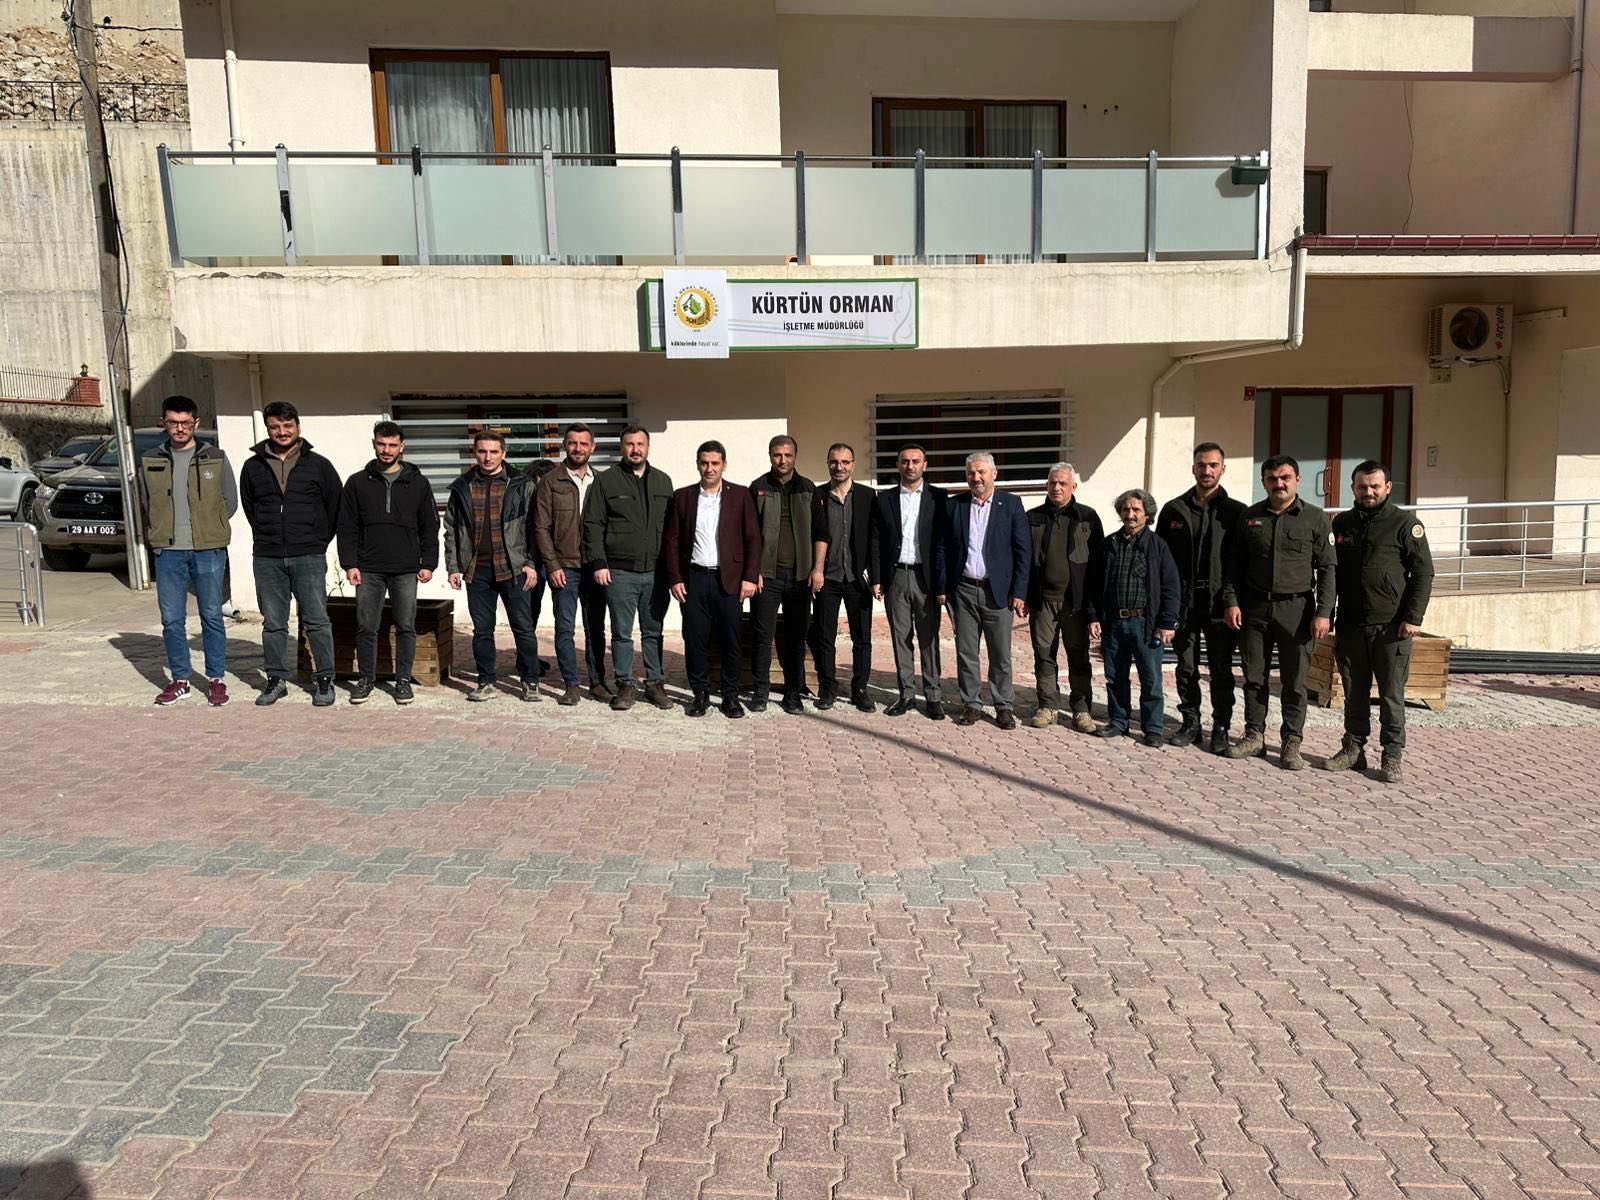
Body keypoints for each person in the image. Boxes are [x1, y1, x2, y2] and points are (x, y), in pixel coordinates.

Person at [1220, 454, 1335, 769]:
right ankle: (1254, 735)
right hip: (1254, 608)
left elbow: (1327, 569)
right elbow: (1233, 566)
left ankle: (1291, 742)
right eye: (1272, 479)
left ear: (1297, 479)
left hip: (1297, 610)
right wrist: (1231, 601)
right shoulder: (1250, 517)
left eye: (1285, 477)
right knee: (1254, 677)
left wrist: (1324, 612)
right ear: (1264, 482)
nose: (1279, 484)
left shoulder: (1315, 518)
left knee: (1294, 682)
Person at [1323, 460, 1434, 784]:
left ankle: (1392, 756)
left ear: (1387, 487)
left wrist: (1413, 617)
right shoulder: (1342, 524)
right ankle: (1353, 749)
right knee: (1354, 691)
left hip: (1391, 627)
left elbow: (1423, 573)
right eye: (1362, 486)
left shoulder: (1405, 524)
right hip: (1351, 624)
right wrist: (1327, 613)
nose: (1368, 492)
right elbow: (1330, 573)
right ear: (1353, 488)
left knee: (1391, 694)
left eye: (1374, 486)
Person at [239, 400, 343, 707]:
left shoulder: (319, 465)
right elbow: (250, 507)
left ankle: (324, 680)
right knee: (273, 623)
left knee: (317, 621)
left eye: (287, 426)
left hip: (308, 555)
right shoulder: (253, 467)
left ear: (298, 426)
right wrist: (268, 536)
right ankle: (276, 679)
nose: (282, 432)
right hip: (268, 557)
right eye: (275, 427)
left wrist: (317, 541)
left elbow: (334, 506)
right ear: (268, 429)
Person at [140, 395, 238, 707]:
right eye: (173, 423)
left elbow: (230, 501)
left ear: (195, 423)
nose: (179, 428)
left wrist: (211, 526)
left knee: (211, 615)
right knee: (171, 619)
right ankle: (180, 680)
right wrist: (159, 532)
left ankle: (216, 679)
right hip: (168, 551)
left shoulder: (216, 457)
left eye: (185, 423)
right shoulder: (150, 459)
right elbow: (145, 503)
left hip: (208, 549)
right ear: (164, 423)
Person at [335, 420, 439, 705]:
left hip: (406, 568)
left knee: (406, 626)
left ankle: (402, 681)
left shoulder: (418, 483)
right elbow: (347, 526)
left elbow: (429, 525)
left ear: (402, 447)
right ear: (374, 444)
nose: (386, 450)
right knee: (366, 626)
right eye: (381, 444)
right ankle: (366, 679)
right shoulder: (357, 483)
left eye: (392, 445)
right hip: (368, 567)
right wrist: (350, 564)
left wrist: (428, 562)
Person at [1156, 442, 1246, 753]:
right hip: (1184, 602)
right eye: (1201, 465)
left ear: (1223, 469)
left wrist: (1234, 600)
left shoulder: (1236, 512)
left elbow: (1241, 562)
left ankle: (1220, 726)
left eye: (1213, 465)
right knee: (1186, 667)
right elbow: (1162, 561)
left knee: (1220, 669)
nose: (1206, 470)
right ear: (1193, 468)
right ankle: (1191, 723)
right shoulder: (1173, 510)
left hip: (1220, 602)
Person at [662, 441, 760, 718]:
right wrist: (674, 578)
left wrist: (750, 577)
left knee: (731, 640)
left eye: (715, 463)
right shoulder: (683, 497)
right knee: (695, 640)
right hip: (694, 579)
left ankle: (730, 696)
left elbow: (753, 539)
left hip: (729, 580)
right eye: (704, 463)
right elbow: (672, 541)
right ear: (698, 464)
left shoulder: (740, 495)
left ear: (723, 465)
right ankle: (700, 694)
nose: (709, 468)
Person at [443, 430, 541, 702]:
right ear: (474, 453)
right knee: (482, 630)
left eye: (494, 452)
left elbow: (535, 527)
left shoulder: (521, 484)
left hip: (514, 568)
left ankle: (530, 680)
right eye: (482, 451)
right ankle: (486, 681)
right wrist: (453, 566)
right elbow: (451, 529)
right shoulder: (462, 486)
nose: (488, 457)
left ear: (503, 453)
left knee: (523, 627)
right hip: (477, 570)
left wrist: (531, 563)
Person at [584, 424, 675, 711]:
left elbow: (672, 529)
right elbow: (593, 523)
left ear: (648, 447)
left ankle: (655, 683)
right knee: (622, 633)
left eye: (640, 444)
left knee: (653, 631)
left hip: (656, 573)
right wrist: (599, 563)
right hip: (619, 572)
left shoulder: (663, 481)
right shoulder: (606, 481)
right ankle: (625, 683)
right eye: (630, 444)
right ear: (621, 447)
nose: (635, 449)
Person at [939, 452, 1030, 730]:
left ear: (994, 474)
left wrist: (1019, 592)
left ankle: (1003, 705)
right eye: (971, 473)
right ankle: (972, 704)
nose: (976, 477)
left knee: (1000, 653)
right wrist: (942, 587)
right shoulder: (955, 505)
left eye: (981, 472)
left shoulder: (1011, 504)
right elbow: (942, 548)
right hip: (963, 590)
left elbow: (1023, 551)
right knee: (966, 651)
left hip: (997, 592)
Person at [1090, 488, 1180, 747]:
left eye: (1136, 510)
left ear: (1147, 514)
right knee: (1115, 676)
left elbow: (1171, 587)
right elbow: (1094, 585)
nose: (1130, 514)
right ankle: (1119, 721)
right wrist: (1093, 617)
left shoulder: (1158, 546)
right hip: (1114, 623)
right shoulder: (1108, 545)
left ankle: (1152, 728)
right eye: (1126, 509)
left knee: (1151, 679)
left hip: (1145, 625)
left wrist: (1167, 622)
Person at [869, 443, 947, 719]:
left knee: (928, 638)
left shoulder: (939, 497)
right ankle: (906, 695)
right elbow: (876, 541)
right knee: (901, 637)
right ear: (898, 465)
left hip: (926, 577)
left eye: (915, 461)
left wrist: (942, 583)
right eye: (905, 461)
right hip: (896, 577)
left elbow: (944, 543)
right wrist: (877, 578)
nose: (910, 466)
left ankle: (933, 696)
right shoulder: (885, 499)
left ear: (925, 465)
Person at [534, 423, 610, 706]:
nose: (578, 448)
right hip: (564, 567)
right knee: (564, 628)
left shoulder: (601, 481)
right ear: (565, 445)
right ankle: (571, 684)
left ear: (593, 447)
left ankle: (598, 682)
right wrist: (552, 565)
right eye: (573, 443)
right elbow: (541, 527)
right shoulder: (550, 481)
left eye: (584, 443)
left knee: (595, 628)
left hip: (594, 566)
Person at [1024, 463, 1103, 732]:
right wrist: (1023, 596)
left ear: (1073, 487)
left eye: (1062, 484)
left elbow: (1098, 565)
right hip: (1042, 601)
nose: (1056, 488)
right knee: (1044, 654)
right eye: (1052, 483)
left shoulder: (1088, 518)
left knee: (1078, 655)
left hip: (1075, 603)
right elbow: (1024, 559)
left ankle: (1081, 709)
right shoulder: (1033, 517)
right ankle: (1048, 706)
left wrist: (1093, 609)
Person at [748, 435, 815, 714]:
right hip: (767, 577)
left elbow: (820, 533)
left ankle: (793, 693)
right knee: (762, 636)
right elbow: (749, 534)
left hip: (800, 577)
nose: (783, 460)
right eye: (777, 455)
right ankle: (760, 691)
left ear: (795, 456)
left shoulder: (808, 488)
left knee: (796, 638)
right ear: (770, 456)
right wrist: (753, 571)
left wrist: (816, 569)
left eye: (788, 455)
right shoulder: (758, 487)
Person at [808, 442, 876, 713]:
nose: (840, 467)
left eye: (845, 462)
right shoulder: (817, 495)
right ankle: (828, 687)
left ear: (853, 465)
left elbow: (875, 539)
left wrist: (876, 576)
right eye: (834, 462)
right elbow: (813, 535)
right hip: (828, 578)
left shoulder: (867, 496)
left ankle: (860, 689)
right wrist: (815, 569)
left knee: (862, 638)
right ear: (828, 464)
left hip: (858, 579)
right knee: (825, 636)